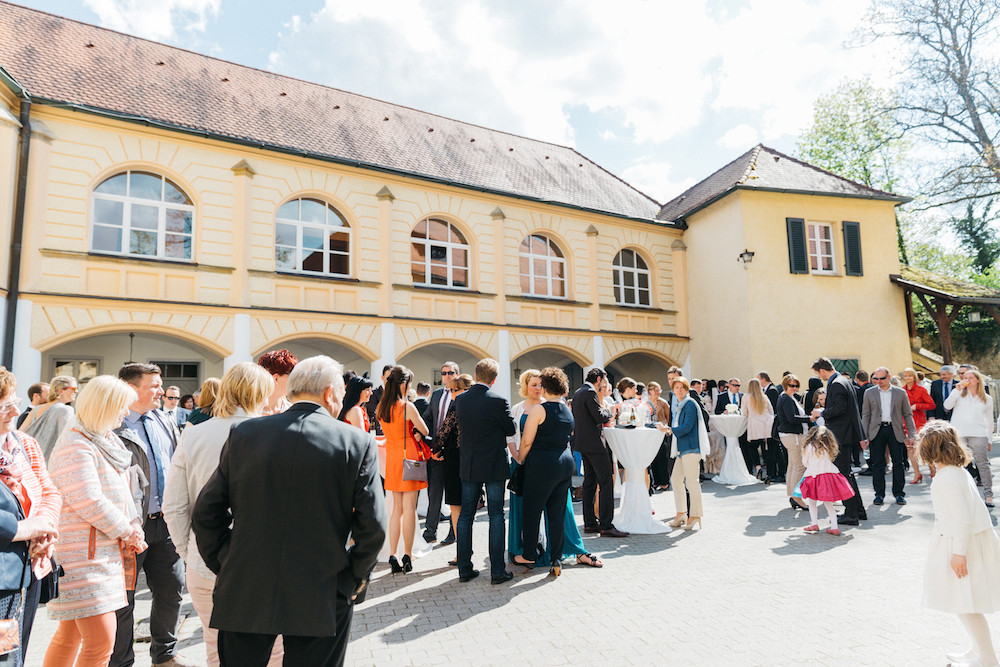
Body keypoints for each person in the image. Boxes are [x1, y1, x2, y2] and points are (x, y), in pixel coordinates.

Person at [192, 355, 386, 667]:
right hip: (323, 589)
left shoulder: (245, 434)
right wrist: (352, 580)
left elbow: (206, 512)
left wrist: (226, 560)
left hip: (246, 584)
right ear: (329, 393)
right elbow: (373, 526)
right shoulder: (356, 442)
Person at [162, 362, 278, 667]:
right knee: (275, 652)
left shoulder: (194, 434)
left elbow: (173, 505)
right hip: (264, 563)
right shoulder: (274, 434)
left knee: (216, 651)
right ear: (258, 393)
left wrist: (188, 551)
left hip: (204, 560)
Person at [44, 375, 145, 667]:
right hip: (83, 557)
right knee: (100, 644)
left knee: (71, 636)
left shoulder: (100, 439)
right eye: (122, 407)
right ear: (105, 406)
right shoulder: (76, 443)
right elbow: (88, 500)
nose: (127, 413)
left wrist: (133, 524)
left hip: (99, 553)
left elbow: (124, 494)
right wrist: (128, 530)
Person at [110, 363, 192, 667]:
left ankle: (165, 655)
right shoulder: (114, 425)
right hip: (131, 527)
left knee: (172, 590)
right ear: (132, 388)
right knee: (124, 600)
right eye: (154, 385)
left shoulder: (163, 420)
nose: (162, 391)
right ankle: (120, 661)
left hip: (166, 523)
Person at [918, 421, 1000, 667]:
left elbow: (962, 518)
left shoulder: (947, 477)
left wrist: (958, 553)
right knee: (961, 601)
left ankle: (987, 658)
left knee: (966, 603)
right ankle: (977, 649)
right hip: (961, 540)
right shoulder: (956, 471)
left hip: (961, 543)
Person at [0, 368, 60, 664]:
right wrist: (28, 529)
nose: (15, 409)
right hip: (2, 574)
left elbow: (49, 491)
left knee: (11, 650)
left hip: (25, 573)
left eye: (13, 399)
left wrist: (45, 529)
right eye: (3, 405)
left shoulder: (23, 444)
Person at [455, 358, 517, 584]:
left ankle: (464, 568)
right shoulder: (499, 401)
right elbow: (510, 428)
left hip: (469, 462)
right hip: (493, 463)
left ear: (476, 374)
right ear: (494, 379)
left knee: (465, 516)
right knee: (496, 515)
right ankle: (497, 571)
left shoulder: (460, 400)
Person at [515, 367, 579, 576]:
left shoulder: (539, 410)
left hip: (542, 464)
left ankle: (529, 556)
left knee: (532, 510)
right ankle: (556, 559)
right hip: (565, 464)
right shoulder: (567, 409)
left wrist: (520, 460)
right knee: (556, 514)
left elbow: (526, 441)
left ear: (545, 387)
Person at [377, 365, 429, 574]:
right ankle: (407, 554)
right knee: (409, 509)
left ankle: (392, 554)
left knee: (395, 510)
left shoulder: (382, 406)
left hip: (392, 458)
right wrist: (416, 433)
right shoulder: (407, 406)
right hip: (409, 458)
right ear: (404, 383)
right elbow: (424, 429)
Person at [810, 358, 867, 526]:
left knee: (842, 475)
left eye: (818, 374)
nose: (820, 378)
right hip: (845, 435)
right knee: (846, 473)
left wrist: (821, 413)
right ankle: (858, 510)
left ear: (822, 371)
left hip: (840, 436)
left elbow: (840, 409)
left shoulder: (836, 384)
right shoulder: (843, 380)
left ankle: (851, 514)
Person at [571, 367, 627, 538]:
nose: (604, 383)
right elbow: (600, 417)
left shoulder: (578, 392)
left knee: (589, 482)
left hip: (582, 444)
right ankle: (606, 525)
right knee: (606, 482)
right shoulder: (590, 392)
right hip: (595, 445)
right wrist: (612, 410)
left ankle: (589, 523)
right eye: (603, 380)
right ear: (598, 379)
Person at [860, 367, 917, 506]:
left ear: (889, 377)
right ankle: (879, 494)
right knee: (878, 464)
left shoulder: (900, 393)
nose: (879, 381)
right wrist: (863, 435)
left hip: (895, 429)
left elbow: (908, 414)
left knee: (898, 462)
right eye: (876, 378)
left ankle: (899, 494)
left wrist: (912, 434)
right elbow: (866, 415)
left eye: (882, 378)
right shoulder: (869, 393)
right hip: (876, 431)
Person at [659, 376, 707, 531]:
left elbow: (686, 427)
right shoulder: (680, 405)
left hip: (691, 448)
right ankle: (681, 513)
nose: (679, 390)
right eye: (676, 388)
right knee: (676, 479)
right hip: (682, 449)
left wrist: (669, 429)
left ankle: (695, 515)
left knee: (692, 483)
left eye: (682, 387)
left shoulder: (690, 404)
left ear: (687, 389)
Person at [433, 373, 472, 562]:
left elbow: (444, 431)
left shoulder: (457, 406)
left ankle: (462, 552)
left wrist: (435, 450)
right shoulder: (475, 408)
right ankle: (464, 550)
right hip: (472, 459)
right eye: (450, 390)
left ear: (466, 390)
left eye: (455, 390)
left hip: (455, 458)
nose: (452, 394)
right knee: (466, 507)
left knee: (456, 507)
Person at [945, 369, 996, 507]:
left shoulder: (987, 399)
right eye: (965, 377)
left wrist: (990, 439)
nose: (967, 380)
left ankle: (988, 495)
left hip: (979, 434)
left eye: (971, 377)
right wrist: (956, 391)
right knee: (958, 464)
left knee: (983, 464)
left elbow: (989, 421)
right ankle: (962, 496)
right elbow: (946, 406)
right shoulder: (958, 394)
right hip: (959, 434)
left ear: (977, 380)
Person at [507, 369, 542, 565]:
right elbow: (510, 436)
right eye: (534, 385)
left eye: (540, 385)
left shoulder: (548, 405)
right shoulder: (517, 408)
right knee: (520, 506)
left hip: (542, 464)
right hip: (520, 463)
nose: (538, 388)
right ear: (525, 386)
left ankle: (541, 544)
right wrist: (517, 456)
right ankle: (520, 546)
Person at [421, 362, 459, 544]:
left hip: (454, 453)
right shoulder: (436, 395)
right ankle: (430, 532)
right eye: (444, 373)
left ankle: (453, 533)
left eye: (450, 372)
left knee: (453, 495)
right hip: (436, 452)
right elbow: (428, 417)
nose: (447, 376)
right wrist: (421, 434)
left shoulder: (462, 396)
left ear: (457, 374)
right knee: (434, 493)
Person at [799, 426, 856, 536]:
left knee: (812, 502)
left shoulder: (808, 447)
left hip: (813, 476)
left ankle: (814, 523)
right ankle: (834, 527)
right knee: (828, 503)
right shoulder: (826, 447)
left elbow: (805, 463)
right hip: (828, 476)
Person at [22, 376, 78, 461]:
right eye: (73, 389)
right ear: (61, 391)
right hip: (50, 463)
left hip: (30, 460)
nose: (76, 391)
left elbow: (20, 433)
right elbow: (67, 440)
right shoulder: (66, 410)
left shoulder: (36, 409)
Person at [777, 374, 811, 511]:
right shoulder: (786, 398)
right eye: (792, 385)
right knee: (799, 467)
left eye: (797, 385)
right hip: (792, 436)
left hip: (790, 435)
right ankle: (797, 497)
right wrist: (809, 418)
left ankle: (793, 495)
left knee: (792, 466)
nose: (795, 388)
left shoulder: (786, 397)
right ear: (786, 385)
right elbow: (792, 418)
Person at [901, 367, 936, 483]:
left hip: (920, 423)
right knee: (910, 449)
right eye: (905, 376)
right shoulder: (901, 391)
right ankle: (917, 473)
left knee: (925, 448)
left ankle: (933, 470)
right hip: (906, 423)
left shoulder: (921, 390)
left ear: (914, 377)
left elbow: (931, 405)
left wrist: (918, 406)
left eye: (910, 375)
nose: (907, 378)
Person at [742, 378, 775, 483]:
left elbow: (744, 413)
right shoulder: (764, 396)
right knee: (768, 451)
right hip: (767, 425)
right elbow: (771, 411)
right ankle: (770, 474)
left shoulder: (746, 397)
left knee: (752, 448)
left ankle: (758, 467)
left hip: (754, 427)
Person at [257, 349, 298, 416]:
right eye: (293, 374)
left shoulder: (290, 410)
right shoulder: (250, 410)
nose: (296, 379)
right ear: (276, 378)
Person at [646, 381, 671, 491]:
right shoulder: (646, 403)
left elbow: (668, 417)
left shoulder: (663, 403)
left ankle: (665, 482)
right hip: (650, 432)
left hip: (661, 432)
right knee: (653, 457)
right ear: (650, 391)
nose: (658, 392)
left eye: (659, 390)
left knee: (662, 457)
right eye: (656, 390)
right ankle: (655, 481)